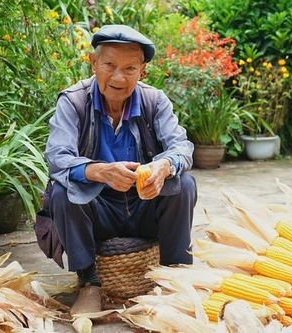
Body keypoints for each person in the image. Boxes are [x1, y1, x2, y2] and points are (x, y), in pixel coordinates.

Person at [44, 24, 197, 315]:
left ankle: (175, 276)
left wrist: (163, 166)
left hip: (144, 206)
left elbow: (182, 146)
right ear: (93, 64)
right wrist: (99, 171)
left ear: (142, 72)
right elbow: (57, 157)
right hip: (98, 211)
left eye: (129, 68)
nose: (118, 77)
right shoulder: (74, 101)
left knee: (184, 183)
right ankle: (89, 282)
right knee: (62, 192)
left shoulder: (155, 101)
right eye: (109, 65)